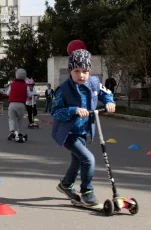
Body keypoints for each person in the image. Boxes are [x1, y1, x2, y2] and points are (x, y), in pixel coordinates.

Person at [51, 49, 116, 205]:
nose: (81, 75)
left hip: (83, 132)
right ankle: (87, 191)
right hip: (67, 133)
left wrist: (109, 101)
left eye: (85, 71)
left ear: (90, 71)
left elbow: (105, 93)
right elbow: (55, 111)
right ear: (70, 71)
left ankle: (65, 185)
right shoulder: (64, 89)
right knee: (88, 159)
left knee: (78, 161)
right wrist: (73, 110)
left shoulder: (93, 83)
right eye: (76, 71)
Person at [7, 68, 28, 142]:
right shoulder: (25, 85)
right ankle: (20, 133)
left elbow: (7, 93)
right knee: (20, 120)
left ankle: (12, 131)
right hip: (21, 104)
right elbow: (28, 94)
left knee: (11, 118)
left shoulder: (12, 84)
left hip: (12, 104)